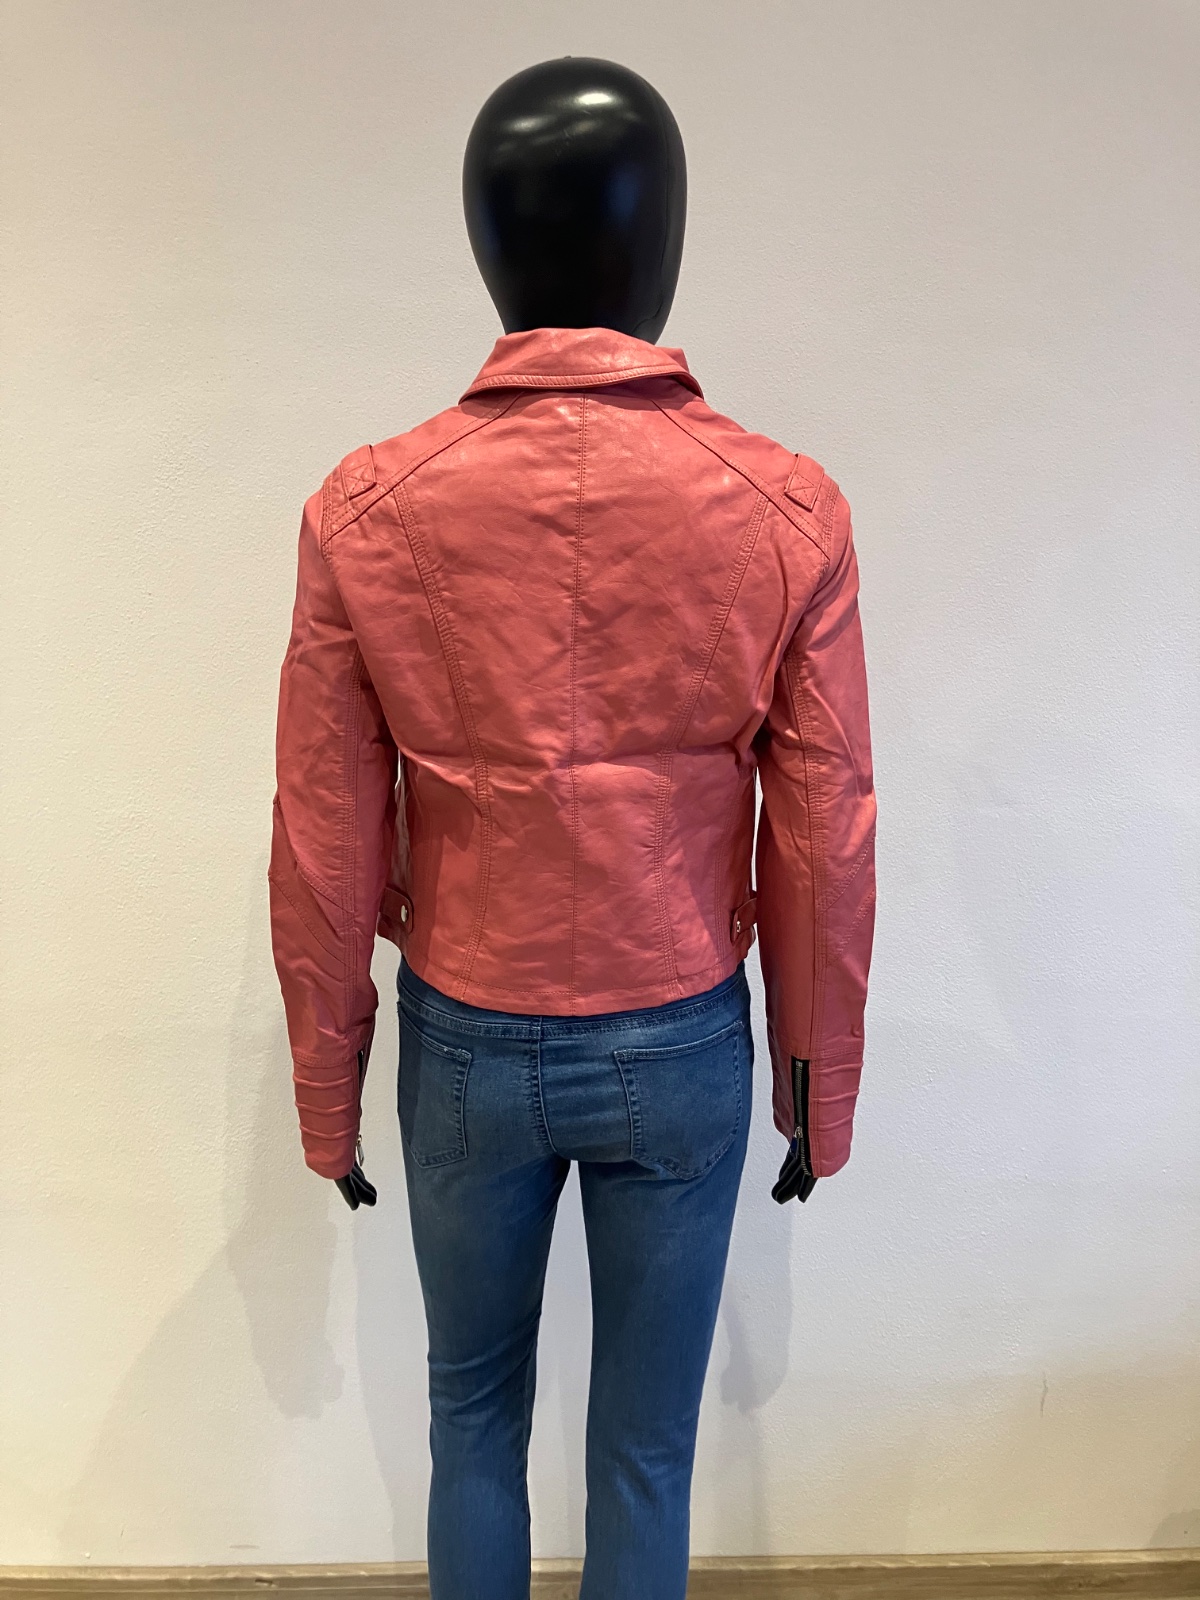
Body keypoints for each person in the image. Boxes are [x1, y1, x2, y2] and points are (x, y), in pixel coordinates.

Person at [268, 55, 876, 1600]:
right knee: (647, 1449)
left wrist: (331, 1098)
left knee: (470, 1421)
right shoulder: (789, 509)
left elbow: (325, 836)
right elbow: (823, 836)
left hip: (466, 1040)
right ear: (659, 251)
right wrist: (815, 1088)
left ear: (493, 252)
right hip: (680, 1040)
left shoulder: (367, 508)